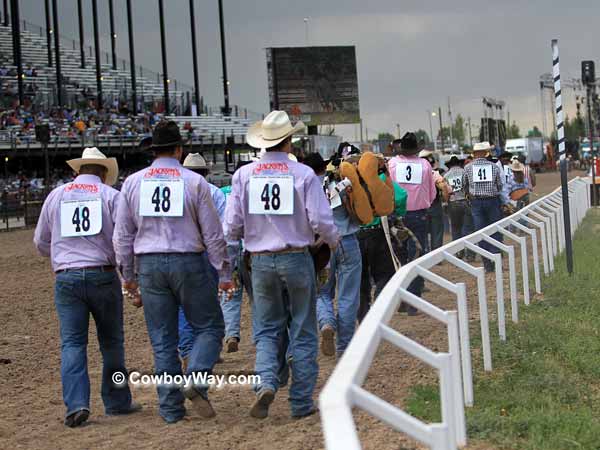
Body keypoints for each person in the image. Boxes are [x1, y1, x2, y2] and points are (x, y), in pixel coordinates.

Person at [113, 121, 233, 424]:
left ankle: (170, 408)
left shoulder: (133, 182)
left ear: (153, 151)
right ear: (179, 150)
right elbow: (213, 234)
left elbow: (122, 236)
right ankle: (196, 377)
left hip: (149, 264)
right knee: (209, 327)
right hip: (188, 261)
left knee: (163, 339)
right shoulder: (194, 182)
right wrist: (224, 272)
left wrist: (127, 275)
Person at [224, 111, 339, 419]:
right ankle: (300, 402)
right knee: (302, 327)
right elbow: (321, 220)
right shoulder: (303, 174)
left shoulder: (243, 175)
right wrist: (332, 241)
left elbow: (231, 227)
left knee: (266, 326)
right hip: (296, 256)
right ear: (290, 140)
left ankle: (264, 380)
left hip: (259, 260)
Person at [33, 147, 140, 428]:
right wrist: (127, 273)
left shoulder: (56, 196)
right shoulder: (111, 196)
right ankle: (117, 401)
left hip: (67, 276)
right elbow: (123, 240)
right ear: (104, 173)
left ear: (77, 171)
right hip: (102, 274)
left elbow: (41, 243)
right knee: (112, 342)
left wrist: (61, 254)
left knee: (72, 343)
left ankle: (77, 404)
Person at [303, 152, 362, 358]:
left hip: (320, 247)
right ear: (324, 166)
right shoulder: (339, 183)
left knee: (322, 292)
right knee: (348, 295)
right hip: (347, 240)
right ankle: (344, 347)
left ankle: (326, 322)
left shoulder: (304, 187)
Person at [176, 153, 230, 367]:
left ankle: (188, 349)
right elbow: (222, 230)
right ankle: (208, 350)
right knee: (209, 306)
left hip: (180, 250)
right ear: (205, 173)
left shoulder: (176, 190)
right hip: (206, 254)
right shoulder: (214, 192)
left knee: (182, 305)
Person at [357, 151, 407, 321]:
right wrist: (398, 213)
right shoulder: (383, 181)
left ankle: (363, 314)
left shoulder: (354, 183)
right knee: (385, 273)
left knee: (361, 277)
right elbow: (400, 197)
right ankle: (379, 307)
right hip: (379, 232)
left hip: (357, 235)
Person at [388, 132, 436, 299]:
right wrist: (427, 203)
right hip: (418, 214)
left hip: (397, 215)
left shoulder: (392, 163)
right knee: (416, 253)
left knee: (399, 253)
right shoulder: (424, 164)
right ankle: (414, 293)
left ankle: (401, 291)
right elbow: (432, 192)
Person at [462, 142, 508, 272]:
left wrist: (470, 194)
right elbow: (499, 185)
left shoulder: (468, 167)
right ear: (486, 153)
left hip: (476, 202)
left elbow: (464, 186)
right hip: (492, 200)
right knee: (495, 231)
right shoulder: (494, 167)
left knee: (480, 232)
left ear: (474, 154)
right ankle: (497, 261)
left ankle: (487, 264)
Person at [443, 156, 475, 261]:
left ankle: (458, 252)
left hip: (453, 202)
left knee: (456, 229)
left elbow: (446, 192)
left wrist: (447, 202)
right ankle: (470, 254)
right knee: (469, 228)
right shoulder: (465, 172)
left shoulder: (446, 175)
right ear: (459, 163)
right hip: (465, 201)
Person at [419, 149, 450, 251]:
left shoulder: (417, 174)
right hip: (435, 205)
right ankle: (436, 255)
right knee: (436, 232)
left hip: (421, 206)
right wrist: (446, 200)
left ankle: (425, 253)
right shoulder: (434, 173)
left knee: (422, 232)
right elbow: (444, 187)